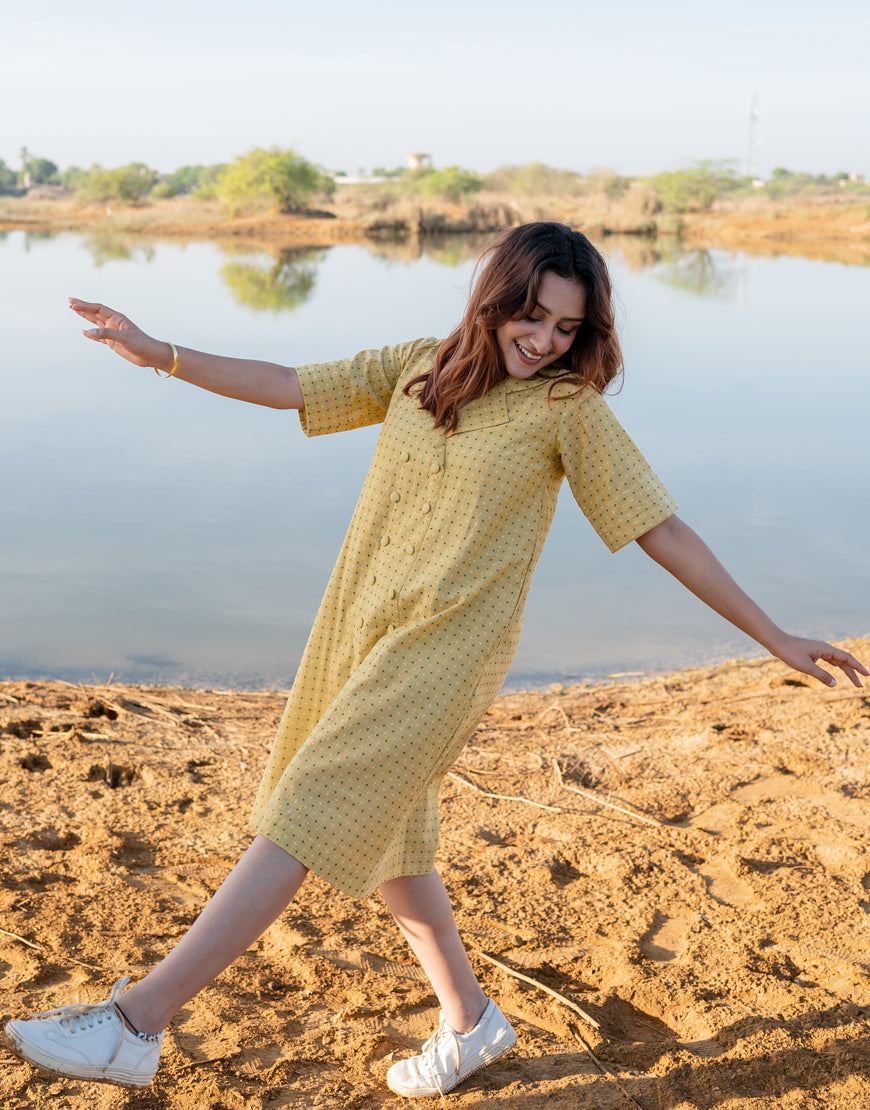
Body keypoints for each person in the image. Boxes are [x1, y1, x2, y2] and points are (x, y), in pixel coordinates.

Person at [3, 222, 865, 1099]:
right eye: (532, 316)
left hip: (447, 651)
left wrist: (773, 635)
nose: (545, 341)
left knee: (309, 808)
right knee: (394, 842)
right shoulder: (423, 366)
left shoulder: (568, 410)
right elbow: (291, 384)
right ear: (496, 301)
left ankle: (135, 1023)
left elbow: (661, 527)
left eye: (568, 328)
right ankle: (470, 1020)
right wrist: (159, 354)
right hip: (361, 626)